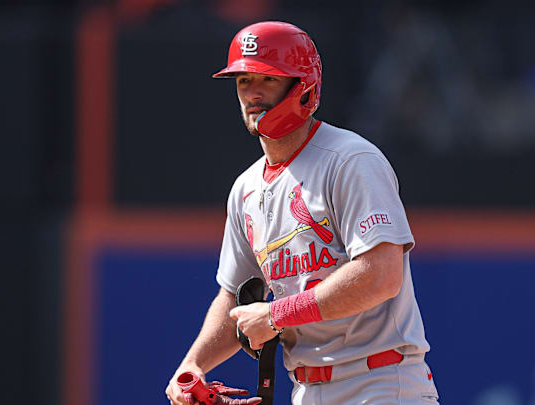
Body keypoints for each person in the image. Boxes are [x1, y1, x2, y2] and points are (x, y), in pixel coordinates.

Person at [166, 21, 440, 405]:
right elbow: (233, 298)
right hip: (305, 389)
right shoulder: (246, 189)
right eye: (243, 80)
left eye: (267, 79)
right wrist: (192, 366)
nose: (252, 93)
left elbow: (381, 275)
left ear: (304, 86)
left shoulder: (349, 160)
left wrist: (276, 315)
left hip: (380, 381)